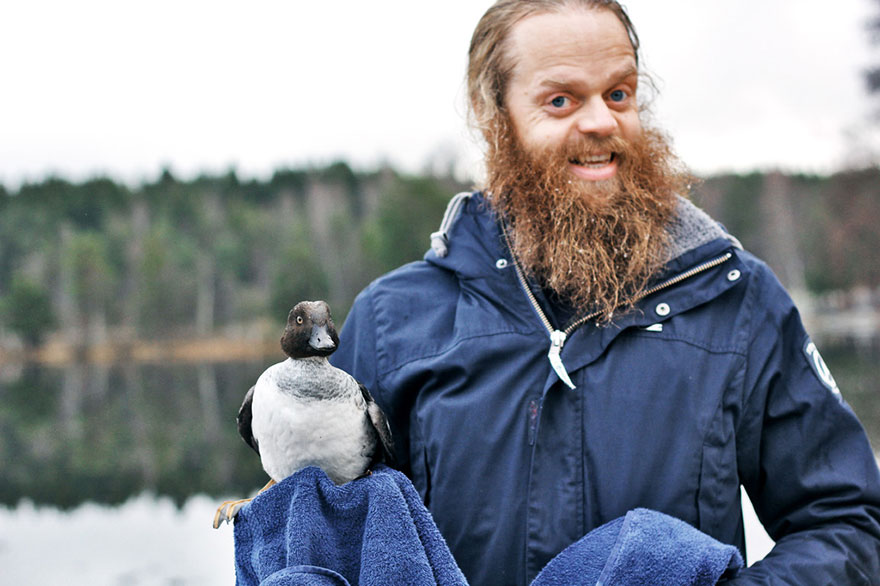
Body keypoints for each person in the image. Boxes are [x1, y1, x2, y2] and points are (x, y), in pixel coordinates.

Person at [331, 1, 880, 584]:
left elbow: (848, 524)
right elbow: (325, 537)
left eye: (618, 94)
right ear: (492, 114)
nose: (600, 121)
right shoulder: (393, 322)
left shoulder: (737, 304)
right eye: (561, 100)